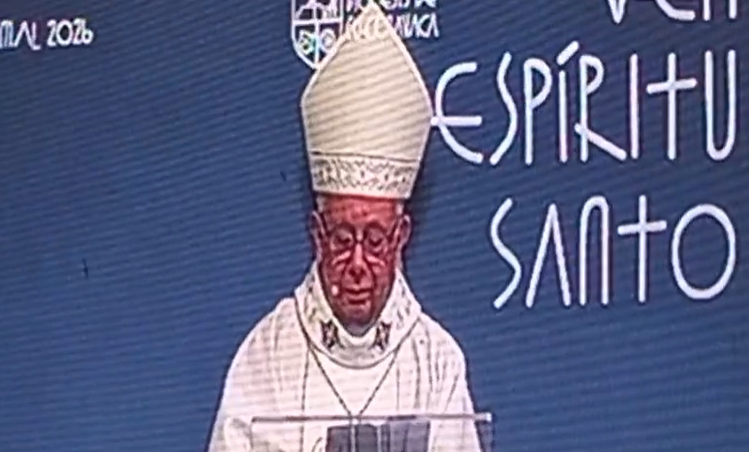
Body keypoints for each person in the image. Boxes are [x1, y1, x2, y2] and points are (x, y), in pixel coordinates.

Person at [206, 3, 482, 452]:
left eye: (374, 240)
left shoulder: (436, 360)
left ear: (401, 237)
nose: (357, 263)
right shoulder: (268, 354)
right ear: (317, 234)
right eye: (342, 238)